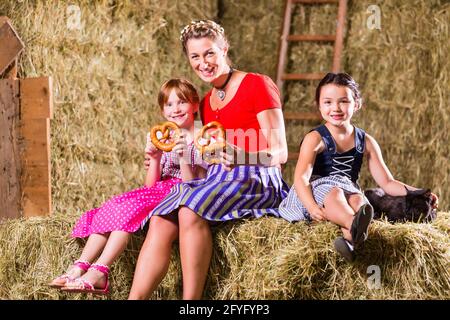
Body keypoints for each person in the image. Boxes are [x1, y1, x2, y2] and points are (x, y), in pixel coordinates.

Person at [128, 20, 289, 300]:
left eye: (210, 53)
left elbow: (281, 153)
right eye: (195, 57)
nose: (204, 63)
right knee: (160, 218)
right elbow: (202, 153)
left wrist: (242, 156)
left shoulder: (257, 84)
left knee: (190, 209)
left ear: (224, 48)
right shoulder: (204, 103)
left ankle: (191, 303)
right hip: (216, 179)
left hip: (257, 177)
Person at [48, 78, 207, 294]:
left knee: (128, 211)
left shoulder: (202, 138)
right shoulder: (164, 136)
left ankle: (100, 270)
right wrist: (155, 158)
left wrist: (184, 156)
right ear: (162, 111)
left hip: (181, 194)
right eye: (169, 105)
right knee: (116, 204)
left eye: (182, 102)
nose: (175, 109)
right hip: (158, 192)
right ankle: (79, 266)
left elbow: (192, 186)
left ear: (195, 105)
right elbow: (150, 184)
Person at [274, 72, 439, 262]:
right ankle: (354, 224)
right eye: (327, 102)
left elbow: (387, 182)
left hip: (347, 188)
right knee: (335, 192)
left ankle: (350, 241)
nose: (335, 108)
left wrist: (419, 192)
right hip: (315, 189)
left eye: (343, 101)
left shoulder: (366, 141)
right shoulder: (315, 138)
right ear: (319, 106)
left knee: (359, 200)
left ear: (356, 104)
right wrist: (311, 207)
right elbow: (301, 178)